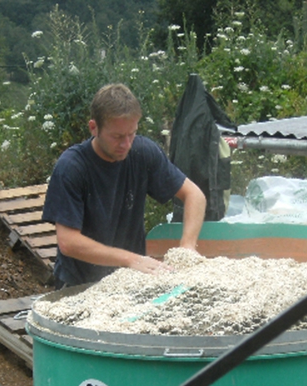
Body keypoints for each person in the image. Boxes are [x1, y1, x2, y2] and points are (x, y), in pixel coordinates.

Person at [41, 83, 206, 288]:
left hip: (130, 281)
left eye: (132, 134)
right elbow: (69, 243)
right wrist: (132, 259)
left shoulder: (143, 152)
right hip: (79, 284)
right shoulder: (72, 167)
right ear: (94, 128)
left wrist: (187, 247)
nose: (126, 144)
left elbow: (194, 195)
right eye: (117, 137)